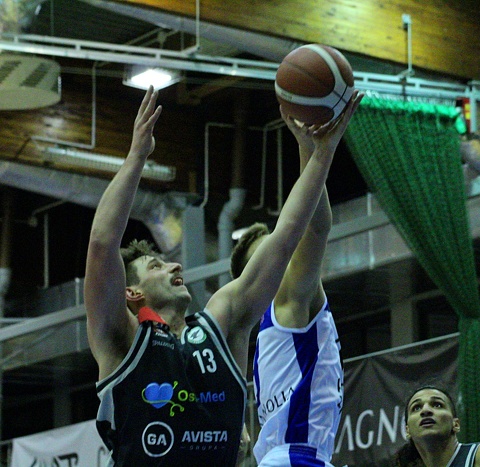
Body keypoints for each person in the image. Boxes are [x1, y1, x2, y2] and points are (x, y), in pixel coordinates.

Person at [84, 85, 362, 466]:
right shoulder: (120, 340)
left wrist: (323, 153)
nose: (174, 265)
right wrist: (136, 157)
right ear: (132, 293)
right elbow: (102, 244)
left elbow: (286, 239)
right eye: (156, 266)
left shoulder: (221, 320)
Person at [229, 109, 344, 466]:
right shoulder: (288, 301)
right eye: (270, 253)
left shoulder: (262, 329)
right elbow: (316, 228)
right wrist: (312, 149)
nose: (283, 254)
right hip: (297, 458)